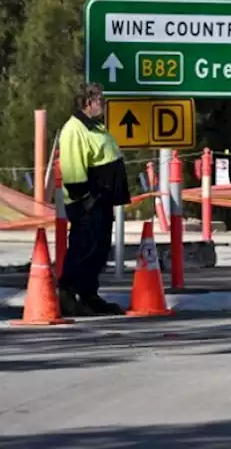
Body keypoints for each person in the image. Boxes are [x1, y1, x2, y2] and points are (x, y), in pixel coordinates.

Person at [57, 82, 131, 316]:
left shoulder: (95, 127)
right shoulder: (74, 129)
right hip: (88, 202)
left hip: (102, 200)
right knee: (83, 248)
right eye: (100, 100)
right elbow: (72, 167)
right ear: (88, 102)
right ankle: (68, 294)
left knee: (98, 249)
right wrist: (84, 198)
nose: (104, 104)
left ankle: (89, 294)